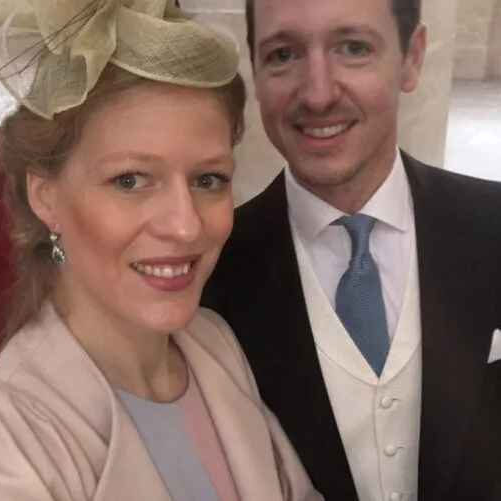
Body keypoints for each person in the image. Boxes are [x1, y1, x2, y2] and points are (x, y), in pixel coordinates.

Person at [0, 1, 322, 500]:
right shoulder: (6, 452)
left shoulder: (212, 343)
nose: (185, 226)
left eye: (208, 179)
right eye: (130, 180)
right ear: (45, 197)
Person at [202, 0, 501, 500]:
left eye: (354, 48)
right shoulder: (212, 275)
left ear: (411, 58)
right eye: (283, 54)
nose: (318, 94)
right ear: (254, 68)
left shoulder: (493, 224)